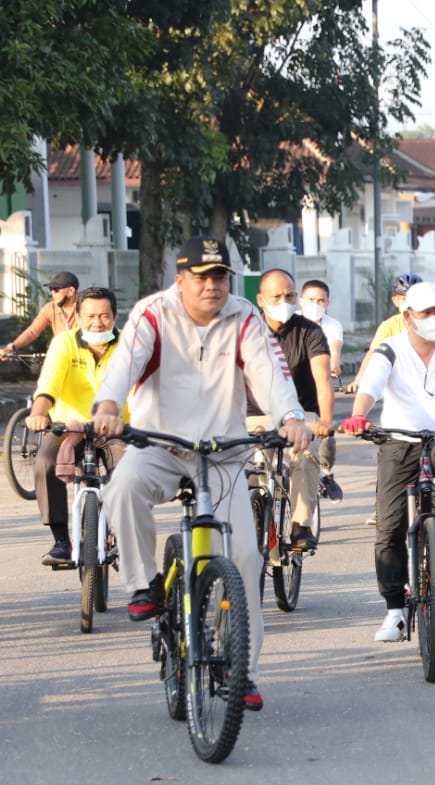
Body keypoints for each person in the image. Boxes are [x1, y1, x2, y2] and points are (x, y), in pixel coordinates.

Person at [93, 236, 312, 712]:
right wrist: (108, 405)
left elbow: (270, 373)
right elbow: (123, 363)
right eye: (201, 277)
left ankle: (244, 672)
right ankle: (142, 583)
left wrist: (291, 418)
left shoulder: (245, 316)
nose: (212, 285)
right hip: (159, 444)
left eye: (220, 276)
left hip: (222, 452)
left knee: (246, 558)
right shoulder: (153, 313)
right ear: (180, 280)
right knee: (123, 487)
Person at [338, 282, 435, 641]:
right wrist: (359, 415)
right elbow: (370, 386)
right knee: (388, 529)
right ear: (408, 316)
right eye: (426, 313)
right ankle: (395, 611)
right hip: (399, 439)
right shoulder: (389, 349)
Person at [25, 287, 127, 565]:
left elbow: (146, 388)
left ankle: (121, 531)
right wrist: (38, 414)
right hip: (68, 429)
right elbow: (47, 388)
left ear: (115, 316)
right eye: (90, 316)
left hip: (116, 429)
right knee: (45, 463)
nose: (97, 322)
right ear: (78, 318)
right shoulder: (64, 344)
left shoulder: (129, 346)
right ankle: (60, 541)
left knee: (131, 472)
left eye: (104, 315)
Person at [245, 269, 333, 552]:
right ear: (260, 299)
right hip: (253, 415)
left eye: (290, 295)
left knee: (305, 457)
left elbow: (322, 378)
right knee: (237, 466)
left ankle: (301, 525)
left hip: (300, 415)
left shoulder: (310, 331)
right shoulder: (246, 333)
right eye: (277, 296)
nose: (285, 301)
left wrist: (326, 421)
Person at [300, 279, 345, 501]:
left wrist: (334, 362)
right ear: (301, 300)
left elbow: (334, 350)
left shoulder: (332, 326)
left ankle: (327, 474)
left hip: (318, 389)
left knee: (325, 436)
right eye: (310, 299)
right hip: (289, 391)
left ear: (327, 302)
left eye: (320, 300)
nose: (315, 304)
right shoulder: (291, 324)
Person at [1, 271, 80, 359]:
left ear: (71, 291)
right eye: (51, 289)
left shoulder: (86, 308)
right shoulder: (50, 308)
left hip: (84, 359)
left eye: (56, 290)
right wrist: (11, 347)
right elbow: (33, 331)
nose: (52, 293)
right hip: (61, 358)